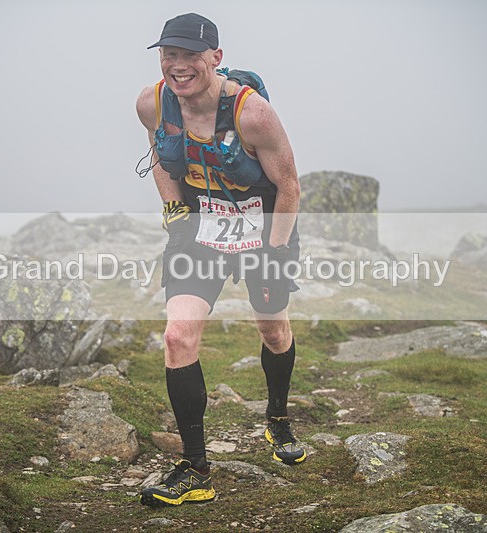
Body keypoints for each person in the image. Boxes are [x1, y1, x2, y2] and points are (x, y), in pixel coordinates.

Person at [135, 13, 305, 508]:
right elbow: (160, 158)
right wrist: (174, 213)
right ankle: (195, 468)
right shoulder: (152, 104)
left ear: (216, 58)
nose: (179, 66)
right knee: (176, 335)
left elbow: (290, 186)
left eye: (190, 55)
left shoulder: (253, 115)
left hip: (264, 228)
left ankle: (277, 418)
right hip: (200, 229)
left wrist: (274, 250)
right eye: (170, 55)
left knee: (272, 329)